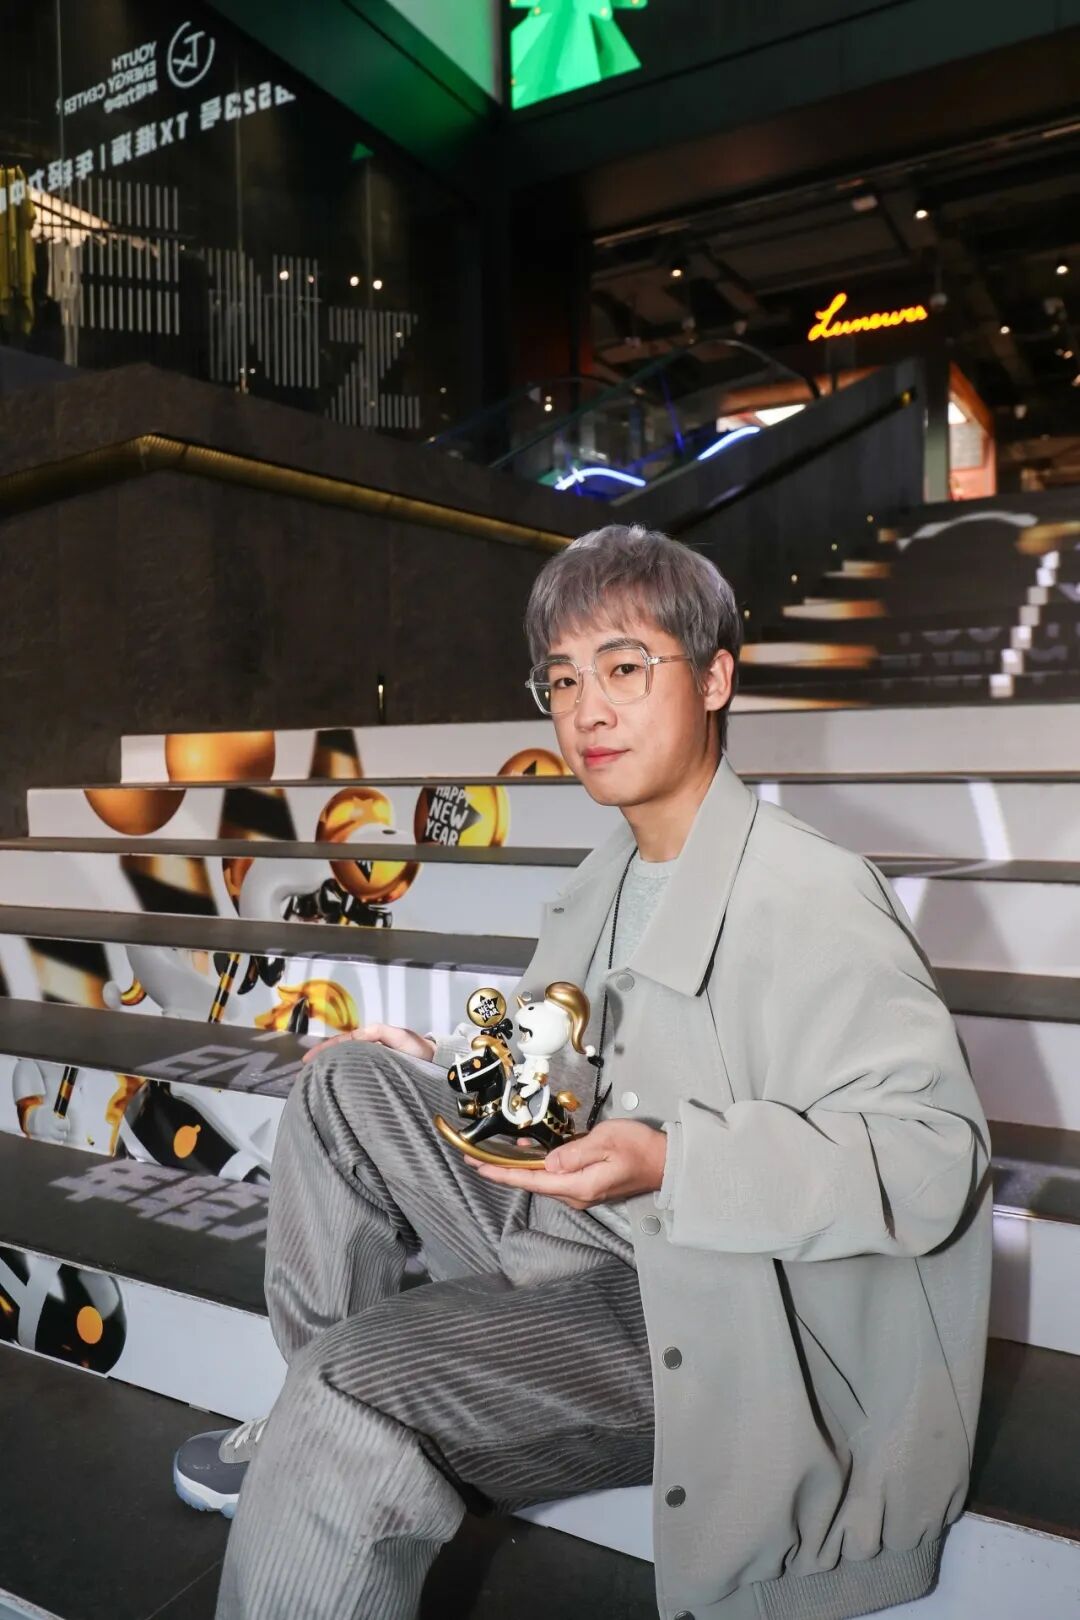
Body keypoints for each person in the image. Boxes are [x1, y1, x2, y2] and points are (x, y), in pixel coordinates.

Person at [174, 523, 992, 1620]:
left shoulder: (815, 893)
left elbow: (935, 1159)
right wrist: (438, 1060)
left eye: (624, 669)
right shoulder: (610, 874)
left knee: (351, 1384)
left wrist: (672, 1163)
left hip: (706, 1296)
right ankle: (309, 1443)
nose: (586, 711)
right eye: (562, 680)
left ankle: (332, 1423)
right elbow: (553, 1079)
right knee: (343, 1089)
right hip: (592, 1225)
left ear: (715, 680)